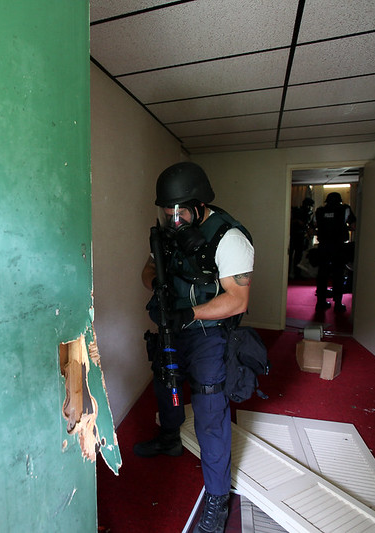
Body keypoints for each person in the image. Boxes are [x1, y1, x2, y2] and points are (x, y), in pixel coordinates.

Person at [136, 162, 254, 533]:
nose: (174, 219)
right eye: (167, 211)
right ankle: (170, 439)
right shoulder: (166, 235)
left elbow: (237, 301)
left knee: (207, 403)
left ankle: (218, 496)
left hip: (209, 332)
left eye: (181, 211)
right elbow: (147, 269)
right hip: (174, 323)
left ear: (200, 206)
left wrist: (188, 314)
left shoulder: (229, 238)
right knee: (164, 381)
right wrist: (159, 285)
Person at [314, 191, 356, 312]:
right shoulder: (345, 209)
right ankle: (338, 303)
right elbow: (353, 226)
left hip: (323, 246)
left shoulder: (319, 211)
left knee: (322, 275)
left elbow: (313, 228)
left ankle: (321, 302)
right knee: (338, 275)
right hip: (338, 246)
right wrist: (343, 228)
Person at [288, 198, 315, 279]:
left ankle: (295, 273)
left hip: (299, 236)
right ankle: (294, 274)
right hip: (296, 236)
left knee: (297, 257)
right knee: (295, 257)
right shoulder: (299, 212)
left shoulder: (302, 212)